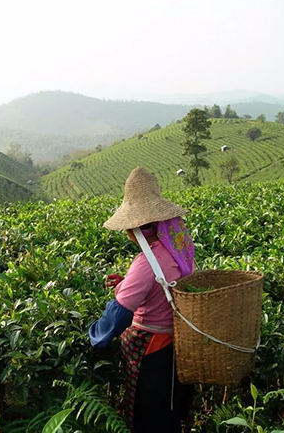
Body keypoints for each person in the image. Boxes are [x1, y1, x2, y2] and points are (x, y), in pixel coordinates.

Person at [89, 167, 194, 432]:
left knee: (149, 417)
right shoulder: (177, 249)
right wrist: (126, 283)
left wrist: (95, 336)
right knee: (170, 413)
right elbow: (162, 285)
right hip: (176, 345)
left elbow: (119, 315)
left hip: (153, 353)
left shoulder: (147, 261)